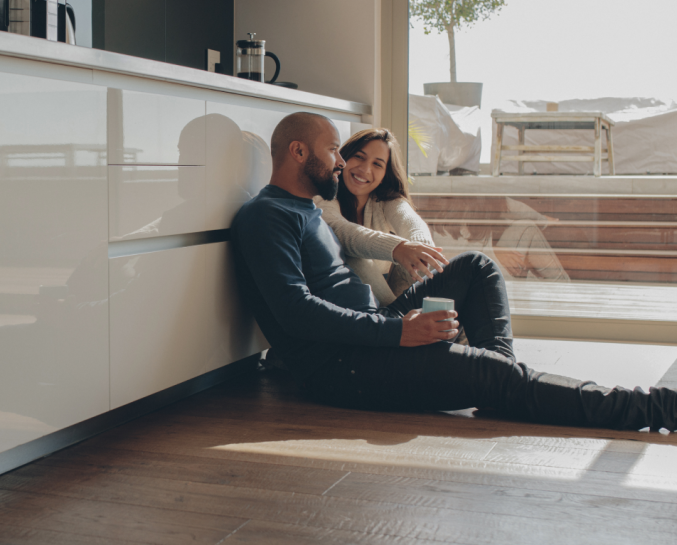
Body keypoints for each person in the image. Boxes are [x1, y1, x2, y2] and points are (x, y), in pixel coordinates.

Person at [231, 111, 676, 431]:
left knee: (477, 267)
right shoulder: (266, 216)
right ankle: (656, 409)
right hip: (344, 367)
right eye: (333, 151)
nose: (342, 162)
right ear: (298, 151)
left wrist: (394, 323)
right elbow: (296, 312)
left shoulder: (305, 208)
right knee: (497, 378)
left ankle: (497, 382)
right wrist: (398, 334)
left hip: (375, 330)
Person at [314, 128, 434, 306]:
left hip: (388, 291)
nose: (365, 169)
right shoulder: (324, 197)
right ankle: (398, 320)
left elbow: (410, 221)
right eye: (359, 157)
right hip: (345, 300)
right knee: (354, 256)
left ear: (385, 175)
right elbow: (342, 231)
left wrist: (421, 248)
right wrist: (398, 248)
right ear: (344, 158)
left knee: (477, 262)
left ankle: (435, 321)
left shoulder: (386, 200)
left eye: (377, 164)